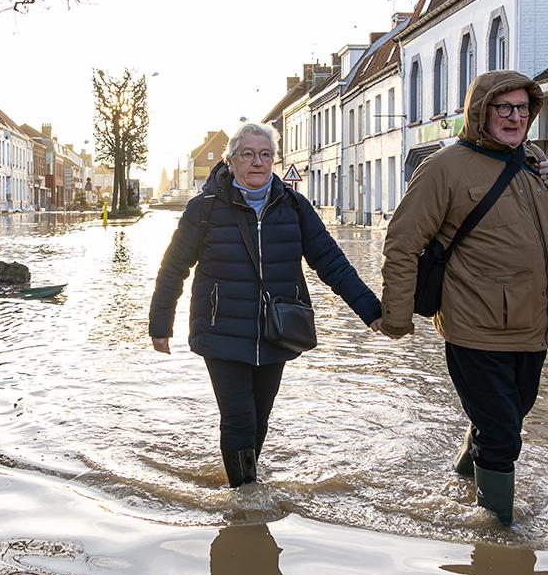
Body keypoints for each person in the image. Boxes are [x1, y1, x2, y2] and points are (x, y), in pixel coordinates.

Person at [379, 70, 548, 526]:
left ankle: (463, 479)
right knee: (503, 432)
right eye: (504, 107)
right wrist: (396, 318)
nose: (515, 117)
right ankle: (497, 533)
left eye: (523, 108)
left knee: (510, 415)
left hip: (534, 323)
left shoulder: (534, 160)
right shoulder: (445, 167)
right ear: (480, 111)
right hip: (475, 327)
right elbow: (403, 242)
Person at [149, 122, 382, 488]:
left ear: (275, 159)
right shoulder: (205, 209)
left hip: (278, 329)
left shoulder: (293, 205)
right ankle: (245, 496)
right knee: (238, 417)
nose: (257, 162)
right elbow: (173, 267)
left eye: (265, 155)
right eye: (248, 154)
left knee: (260, 418)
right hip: (221, 329)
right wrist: (160, 325)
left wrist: (372, 311)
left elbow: (331, 262)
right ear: (231, 161)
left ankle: (246, 477)